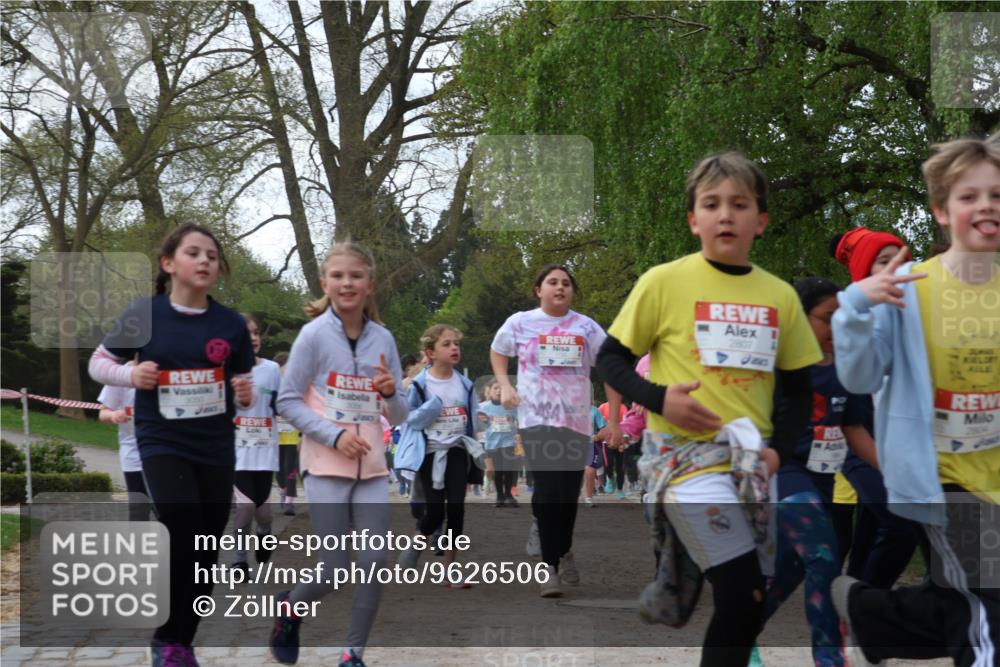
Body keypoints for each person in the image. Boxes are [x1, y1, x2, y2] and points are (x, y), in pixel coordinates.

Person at [597, 152, 822, 666]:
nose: (726, 215)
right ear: (693, 219)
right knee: (742, 593)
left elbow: (796, 388)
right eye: (712, 204)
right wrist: (660, 399)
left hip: (748, 465)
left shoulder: (780, 296)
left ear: (760, 221)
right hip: (682, 464)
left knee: (747, 603)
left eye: (740, 205)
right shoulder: (663, 281)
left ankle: (681, 587)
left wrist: (777, 454)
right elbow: (610, 360)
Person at [831, 136, 999, 666]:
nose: (986, 206)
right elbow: (857, 376)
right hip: (945, 478)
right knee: (986, 616)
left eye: (996, 194)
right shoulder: (910, 289)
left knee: (970, 606)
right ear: (942, 211)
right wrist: (855, 306)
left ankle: (875, 614)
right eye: (969, 196)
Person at [88, 223, 255, 667]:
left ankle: (182, 640)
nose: (204, 261)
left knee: (206, 545)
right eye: (194, 253)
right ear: (169, 264)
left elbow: (242, 378)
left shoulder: (230, 324)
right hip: (163, 442)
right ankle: (166, 638)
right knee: (182, 527)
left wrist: (243, 392)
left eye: (212, 256)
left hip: (215, 445)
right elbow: (99, 363)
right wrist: (131, 375)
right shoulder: (144, 314)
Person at [271, 240, 408, 667]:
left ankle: (353, 653)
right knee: (333, 568)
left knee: (374, 561)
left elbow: (400, 414)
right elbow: (287, 401)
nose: (347, 283)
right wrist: (333, 436)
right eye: (338, 275)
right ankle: (291, 607)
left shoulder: (383, 339)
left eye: (356, 276)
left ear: (370, 284)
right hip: (326, 464)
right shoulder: (312, 337)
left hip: (370, 468)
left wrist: (390, 393)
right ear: (324, 283)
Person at [491, 263, 623, 598]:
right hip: (537, 420)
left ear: (572, 291)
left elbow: (610, 370)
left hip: (576, 422)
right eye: (552, 282)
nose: (559, 287)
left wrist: (614, 421)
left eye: (566, 283)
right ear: (539, 290)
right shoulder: (520, 322)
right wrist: (505, 385)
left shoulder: (587, 327)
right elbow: (498, 351)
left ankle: (563, 549)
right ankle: (549, 567)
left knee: (566, 497)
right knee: (549, 492)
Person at [764, 277, 877, 667]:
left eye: (842, 318)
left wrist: (893, 471)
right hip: (784, 473)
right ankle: (830, 659)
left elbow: (854, 428)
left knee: (791, 569)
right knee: (826, 556)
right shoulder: (778, 366)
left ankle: (737, 628)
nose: (836, 327)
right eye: (828, 318)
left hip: (822, 479)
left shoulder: (849, 369)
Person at [829, 227, 924, 588]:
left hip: (904, 446)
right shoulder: (848, 321)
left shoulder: (921, 317)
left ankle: (857, 603)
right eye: (885, 262)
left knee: (876, 533)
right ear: (863, 276)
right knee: (898, 523)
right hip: (856, 444)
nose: (897, 269)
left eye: (903, 259)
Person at [395, 325, 484, 585]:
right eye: (447, 344)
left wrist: (476, 440)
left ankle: (450, 569)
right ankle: (416, 545)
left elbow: (472, 420)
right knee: (434, 512)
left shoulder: (465, 384)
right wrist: (429, 410)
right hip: (429, 453)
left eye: (456, 343)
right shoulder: (420, 385)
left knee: (456, 509)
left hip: (457, 450)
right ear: (430, 352)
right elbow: (406, 418)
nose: (454, 348)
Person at [230, 313, 282, 574]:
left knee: (263, 512)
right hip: (237, 452)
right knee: (245, 506)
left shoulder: (271, 370)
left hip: (264, 451)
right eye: (246, 333)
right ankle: (239, 560)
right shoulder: (226, 370)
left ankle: (265, 532)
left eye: (256, 333)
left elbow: (282, 404)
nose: (253, 338)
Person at [97, 357, 148, 521]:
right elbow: (103, 413)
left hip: (166, 451)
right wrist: (113, 415)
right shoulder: (120, 376)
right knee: (139, 506)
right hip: (133, 453)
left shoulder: (166, 371)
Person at [479, 379, 520, 507]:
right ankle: (499, 496)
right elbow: (478, 422)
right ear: (489, 391)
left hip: (509, 442)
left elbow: (520, 420)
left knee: (508, 470)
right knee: (498, 471)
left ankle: (508, 494)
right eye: (495, 388)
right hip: (492, 443)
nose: (498, 391)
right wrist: (482, 421)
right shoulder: (483, 407)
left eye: (501, 388)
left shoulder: (512, 406)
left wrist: (519, 433)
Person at [274, 351, 300, 516]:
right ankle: (283, 491)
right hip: (275, 435)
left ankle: (289, 500)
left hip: (292, 434)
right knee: (278, 469)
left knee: (289, 466)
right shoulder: (272, 387)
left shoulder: (297, 386)